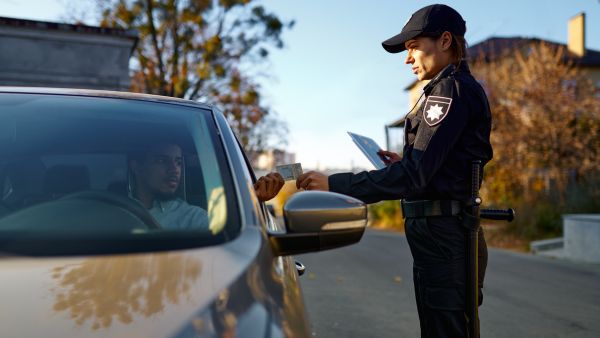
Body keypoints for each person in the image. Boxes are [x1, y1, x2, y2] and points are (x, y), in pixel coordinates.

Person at [296, 4, 492, 337]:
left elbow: (414, 177)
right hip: (441, 236)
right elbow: (433, 170)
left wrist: (335, 184)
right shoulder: (447, 88)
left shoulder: (448, 91)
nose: (407, 57)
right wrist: (406, 165)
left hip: (446, 236)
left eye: (414, 46)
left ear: (445, 41)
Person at [129, 141, 284, 230]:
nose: (174, 170)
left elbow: (233, 236)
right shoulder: (107, 210)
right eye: (162, 161)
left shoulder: (193, 218)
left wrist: (252, 203)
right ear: (136, 166)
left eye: (178, 162)